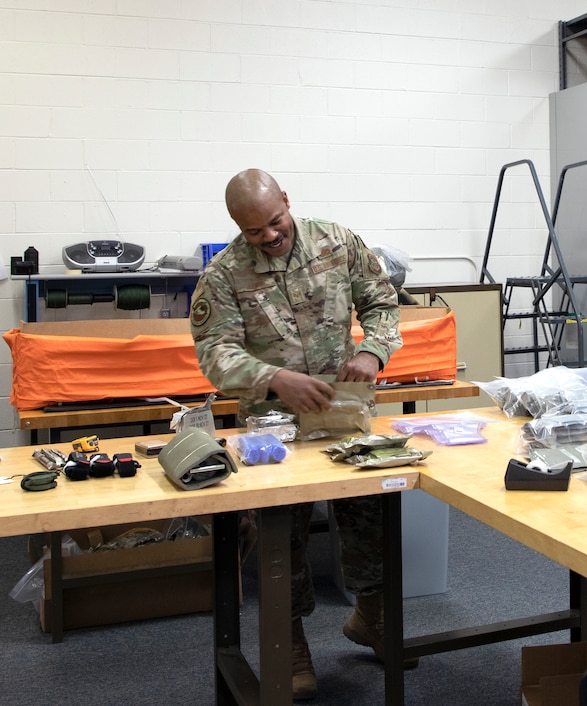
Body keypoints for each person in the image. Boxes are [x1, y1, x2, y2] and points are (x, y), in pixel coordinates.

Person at [190, 169, 405, 700]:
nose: (268, 236)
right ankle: (292, 646)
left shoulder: (337, 241)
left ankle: (372, 619)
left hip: (342, 410)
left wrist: (370, 352)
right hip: (272, 425)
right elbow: (214, 353)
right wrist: (272, 378)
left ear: (287, 201)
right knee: (282, 535)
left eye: (275, 222)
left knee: (370, 514)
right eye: (253, 230)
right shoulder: (223, 274)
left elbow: (382, 301)